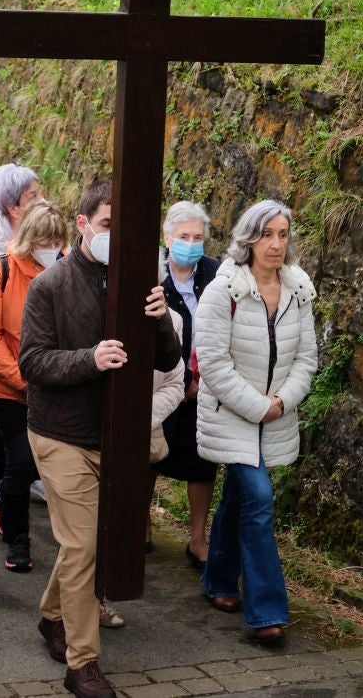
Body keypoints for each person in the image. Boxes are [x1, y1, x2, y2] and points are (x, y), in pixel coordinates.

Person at [18, 178, 180, 698]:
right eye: (109, 225)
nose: (119, 236)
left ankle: (50, 616)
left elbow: (169, 361)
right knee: (83, 545)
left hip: (117, 436)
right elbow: (32, 362)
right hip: (60, 433)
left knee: (80, 545)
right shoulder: (51, 285)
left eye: (128, 228)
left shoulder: (141, 283)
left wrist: (158, 320)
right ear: (83, 224)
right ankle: (82, 664)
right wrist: (90, 359)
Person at [196, 199, 317, 646]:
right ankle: (266, 611)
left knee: (240, 498)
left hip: (276, 414)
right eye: (267, 234)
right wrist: (257, 405)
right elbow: (211, 362)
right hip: (232, 415)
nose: (276, 244)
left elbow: (307, 357)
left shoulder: (298, 290)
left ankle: (220, 580)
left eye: (283, 235)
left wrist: (282, 401)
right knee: (260, 499)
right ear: (249, 238)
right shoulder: (223, 289)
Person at [0, 201, 66, 573]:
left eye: (56, 241)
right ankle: (18, 538)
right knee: (22, 463)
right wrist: (21, 379)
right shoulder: (2, 271)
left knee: (46, 465)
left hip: (55, 387)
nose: (50, 247)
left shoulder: (68, 272)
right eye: (43, 240)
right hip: (8, 388)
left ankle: (0, 494)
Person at [154, 200, 221, 569]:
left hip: (203, 385)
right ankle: (141, 526)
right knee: (150, 454)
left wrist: (200, 380)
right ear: (167, 238)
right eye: (183, 236)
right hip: (160, 381)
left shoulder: (215, 273)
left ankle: (198, 538)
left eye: (197, 237)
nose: (191, 244)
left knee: (202, 462)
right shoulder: (153, 274)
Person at [0, 164, 42, 258]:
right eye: (33, 196)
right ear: (13, 209)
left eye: (39, 193)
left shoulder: (47, 226)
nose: (41, 200)